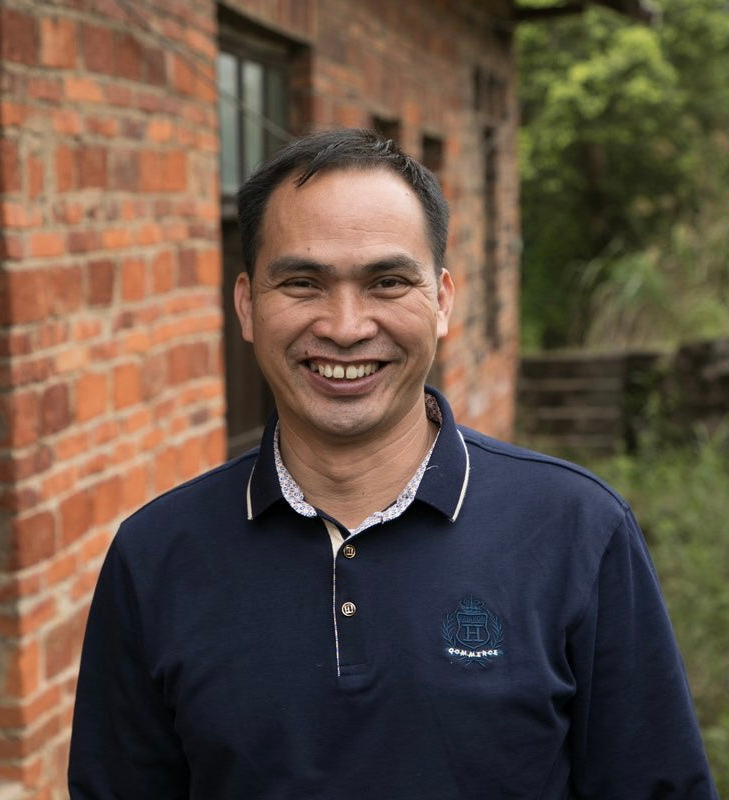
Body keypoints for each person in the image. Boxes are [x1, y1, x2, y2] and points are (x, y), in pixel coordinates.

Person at [68, 128, 717, 799]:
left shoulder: (578, 530)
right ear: (246, 305)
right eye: (302, 282)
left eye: (386, 281)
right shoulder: (155, 558)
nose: (346, 326)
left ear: (440, 301)